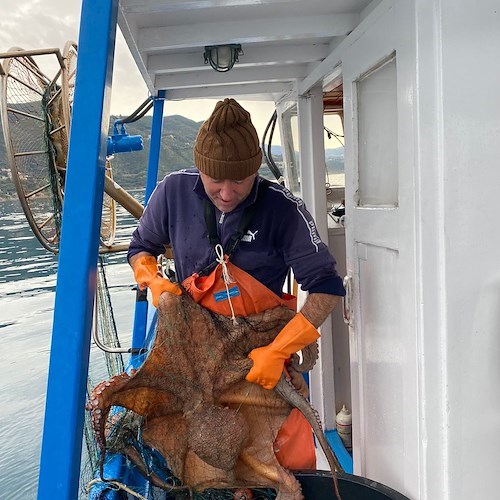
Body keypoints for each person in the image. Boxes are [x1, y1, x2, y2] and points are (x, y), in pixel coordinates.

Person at [127, 98, 345, 470]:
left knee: (284, 462)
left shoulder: (283, 210)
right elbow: (140, 248)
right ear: (200, 169)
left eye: (240, 181)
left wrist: (279, 350)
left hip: (261, 357)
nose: (227, 193)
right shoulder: (172, 192)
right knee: (201, 461)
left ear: (255, 172)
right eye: (216, 181)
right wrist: (154, 280)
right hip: (195, 358)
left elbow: (326, 286)